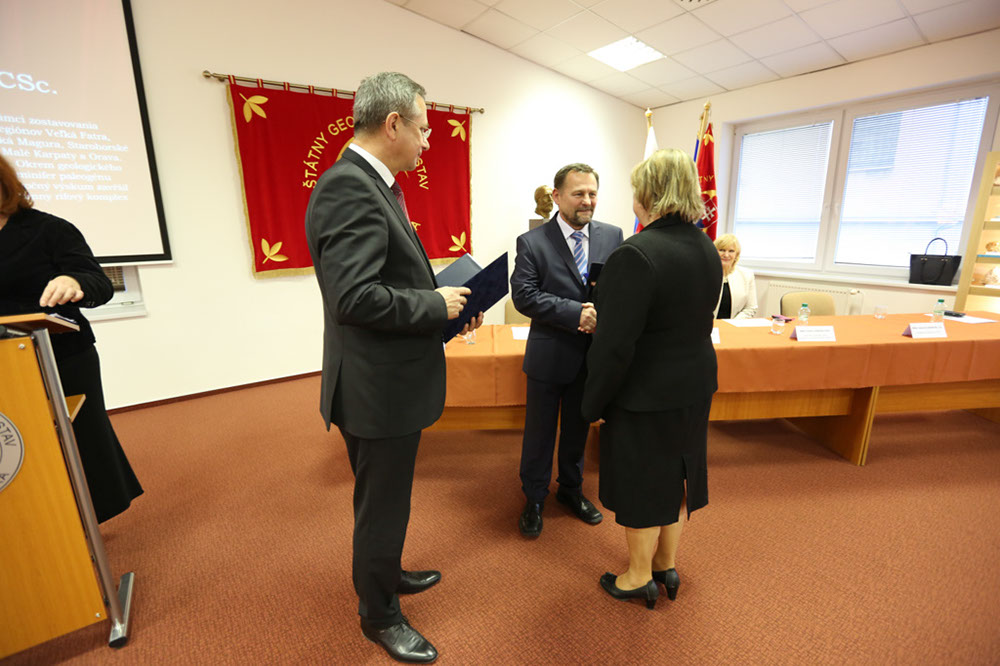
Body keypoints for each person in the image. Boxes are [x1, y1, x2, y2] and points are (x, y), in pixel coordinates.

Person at [304, 72, 481, 665]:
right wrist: (434, 305)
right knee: (381, 506)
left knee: (387, 500)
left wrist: (449, 305)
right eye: (424, 129)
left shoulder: (367, 183)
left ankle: (386, 572)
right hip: (376, 388)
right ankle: (378, 614)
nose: (428, 141)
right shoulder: (349, 188)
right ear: (392, 124)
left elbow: (386, 280)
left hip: (383, 377)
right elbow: (354, 298)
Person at [581, 148, 722, 610]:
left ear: (648, 193)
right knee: (677, 477)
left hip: (644, 393)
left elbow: (614, 346)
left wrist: (593, 404)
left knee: (643, 483)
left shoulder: (635, 254)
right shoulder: (706, 246)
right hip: (694, 387)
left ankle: (637, 576)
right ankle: (665, 564)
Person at [0, 152, 142, 522]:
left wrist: (73, 280)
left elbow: (98, 283)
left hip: (60, 355)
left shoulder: (48, 229)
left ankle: (84, 529)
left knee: (79, 442)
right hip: (4, 362)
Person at [510, 163, 623, 538]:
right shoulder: (532, 242)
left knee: (577, 429)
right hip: (550, 354)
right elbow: (524, 296)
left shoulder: (613, 235)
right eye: (578, 194)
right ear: (557, 196)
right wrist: (576, 313)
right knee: (539, 433)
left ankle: (571, 490)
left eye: (592, 193)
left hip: (592, 356)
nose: (587, 201)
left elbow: (620, 287)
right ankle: (534, 498)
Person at [713, 233, 757, 319]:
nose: (726, 255)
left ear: (736, 255)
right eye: (722, 250)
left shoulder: (747, 275)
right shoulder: (704, 273)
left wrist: (732, 323)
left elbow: (751, 308)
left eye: (731, 251)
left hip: (734, 323)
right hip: (707, 324)